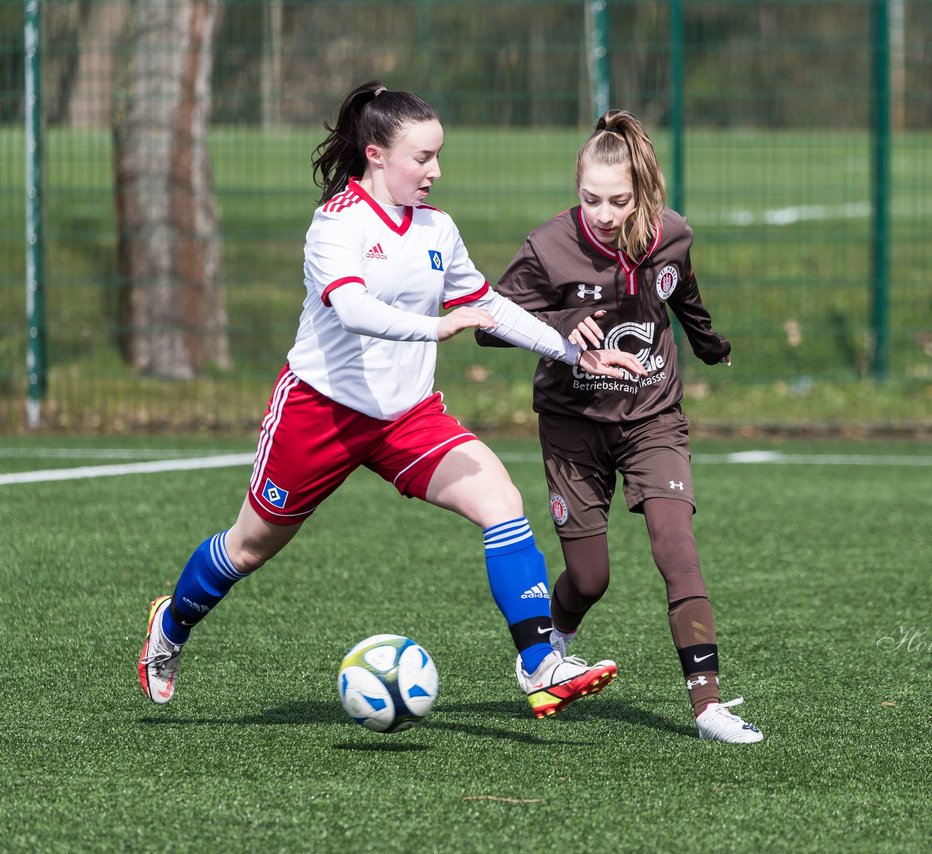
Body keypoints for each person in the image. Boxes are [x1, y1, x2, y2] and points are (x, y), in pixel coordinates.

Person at [137, 81, 649, 720]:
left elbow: (487, 304)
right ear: (376, 155)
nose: (435, 170)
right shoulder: (336, 224)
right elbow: (350, 307)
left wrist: (574, 352)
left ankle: (540, 664)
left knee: (501, 502)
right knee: (248, 547)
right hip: (319, 412)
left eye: (438, 156)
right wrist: (433, 326)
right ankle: (171, 627)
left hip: (408, 416)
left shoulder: (438, 228)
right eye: (422, 158)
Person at [478, 110, 763, 743]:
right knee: (590, 578)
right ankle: (552, 642)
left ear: (643, 192)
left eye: (619, 201)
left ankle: (709, 706)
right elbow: (487, 322)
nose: (605, 214)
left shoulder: (671, 235)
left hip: (652, 417)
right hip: (573, 426)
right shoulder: (547, 247)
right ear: (575, 190)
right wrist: (555, 325)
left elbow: (682, 293)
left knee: (676, 549)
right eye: (590, 200)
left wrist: (709, 342)